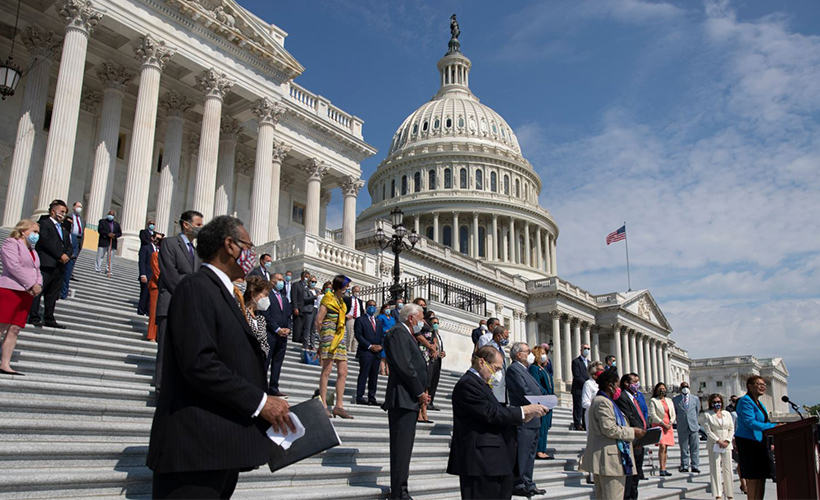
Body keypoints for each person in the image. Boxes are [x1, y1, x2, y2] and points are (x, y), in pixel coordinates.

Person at [146, 215, 294, 499]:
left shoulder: (222, 293)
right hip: (194, 450)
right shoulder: (196, 288)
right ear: (230, 245)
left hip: (218, 448)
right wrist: (261, 402)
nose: (252, 252)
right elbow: (200, 363)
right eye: (248, 245)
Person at [447, 346, 548, 500]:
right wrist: (523, 411)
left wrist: (520, 417)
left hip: (494, 462)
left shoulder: (482, 385)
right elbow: (491, 414)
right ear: (482, 362)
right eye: (496, 368)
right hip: (481, 463)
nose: (498, 374)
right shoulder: (468, 384)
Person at [382, 302, 430, 500]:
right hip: (402, 397)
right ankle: (399, 492)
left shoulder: (406, 333)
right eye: (420, 318)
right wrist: (419, 392)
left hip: (408, 398)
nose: (423, 322)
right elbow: (405, 365)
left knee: (405, 448)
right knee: (401, 448)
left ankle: (402, 488)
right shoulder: (398, 333)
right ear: (411, 318)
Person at [155, 210, 204, 391]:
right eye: (198, 225)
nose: (200, 228)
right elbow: (169, 273)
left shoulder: (198, 252)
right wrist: (187, 295)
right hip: (170, 304)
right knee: (165, 351)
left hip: (189, 307)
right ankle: (161, 389)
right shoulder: (169, 243)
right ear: (186, 224)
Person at [580, 369, 645, 500]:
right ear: (610, 386)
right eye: (617, 385)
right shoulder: (602, 402)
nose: (619, 389)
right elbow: (609, 429)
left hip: (612, 458)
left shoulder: (608, 402)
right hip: (609, 461)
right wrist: (634, 431)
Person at [0, 220, 43, 375]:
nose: (36, 235)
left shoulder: (33, 251)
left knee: (15, 329)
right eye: (34, 231)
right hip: (11, 289)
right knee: (2, 326)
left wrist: (38, 284)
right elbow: (13, 266)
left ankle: (5, 364)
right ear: (23, 231)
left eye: (38, 232)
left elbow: (37, 270)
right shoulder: (11, 243)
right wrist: (32, 283)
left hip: (26, 293)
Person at [505, 342, 546, 497]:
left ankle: (528, 482)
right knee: (522, 453)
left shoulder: (526, 370)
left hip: (535, 417)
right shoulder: (514, 369)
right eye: (527, 351)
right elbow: (523, 392)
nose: (530, 354)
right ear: (518, 354)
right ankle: (519, 483)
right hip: (525, 416)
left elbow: (537, 389)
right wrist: (539, 403)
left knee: (530, 453)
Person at [28, 200, 71, 329]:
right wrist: (60, 255)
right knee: (39, 291)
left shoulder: (63, 229)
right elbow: (46, 242)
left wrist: (67, 255)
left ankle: (49, 317)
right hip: (47, 263)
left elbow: (69, 245)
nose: (63, 214)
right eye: (62, 211)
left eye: (65, 212)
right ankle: (34, 316)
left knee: (53, 294)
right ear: (53, 211)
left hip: (59, 267)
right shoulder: (44, 224)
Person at [315, 275, 353, 419]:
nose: (347, 289)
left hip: (340, 337)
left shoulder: (342, 303)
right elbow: (318, 320)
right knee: (327, 370)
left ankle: (339, 405)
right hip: (329, 336)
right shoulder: (327, 299)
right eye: (346, 286)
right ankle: (323, 403)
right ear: (340, 286)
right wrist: (322, 338)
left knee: (343, 372)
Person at [735, 375, 777, 500]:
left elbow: (764, 420)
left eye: (764, 384)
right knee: (753, 478)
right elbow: (750, 422)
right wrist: (774, 426)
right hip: (748, 442)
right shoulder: (745, 401)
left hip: (759, 442)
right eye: (759, 384)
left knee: (761, 477)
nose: (763, 386)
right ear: (750, 386)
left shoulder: (759, 403)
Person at [616, 373, 648, 500]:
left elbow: (640, 415)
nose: (637, 384)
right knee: (630, 476)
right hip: (633, 438)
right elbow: (630, 417)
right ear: (626, 383)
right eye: (635, 381)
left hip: (640, 439)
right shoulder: (622, 397)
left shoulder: (636, 397)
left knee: (636, 475)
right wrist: (641, 433)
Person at [261, 273, 292, 397]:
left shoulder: (284, 298)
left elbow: (288, 316)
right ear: (273, 281)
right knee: (266, 361)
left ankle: (274, 387)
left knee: (278, 362)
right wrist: (277, 329)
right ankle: (262, 385)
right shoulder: (267, 296)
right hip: (271, 334)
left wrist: (288, 329)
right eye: (279, 280)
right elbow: (266, 315)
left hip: (283, 336)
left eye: (282, 280)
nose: (282, 282)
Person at [704, 393, 734, 500]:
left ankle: (730, 493)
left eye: (719, 402)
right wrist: (718, 441)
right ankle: (718, 494)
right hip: (714, 444)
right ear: (711, 403)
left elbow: (731, 428)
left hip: (726, 443)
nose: (717, 404)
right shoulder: (708, 415)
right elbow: (708, 431)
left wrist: (727, 440)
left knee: (728, 468)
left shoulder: (727, 414)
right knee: (715, 468)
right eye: (715, 402)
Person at [354, 299, 382, 405]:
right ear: (366, 307)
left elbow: (381, 336)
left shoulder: (378, 321)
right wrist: (370, 346)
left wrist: (380, 346)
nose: (372, 307)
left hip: (377, 353)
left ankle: (371, 396)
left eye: (374, 306)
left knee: (374, 376)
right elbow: (358, 335)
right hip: (366, 352)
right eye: (370, 305)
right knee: (364, 374)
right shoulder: (360, 320)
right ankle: (360, 396)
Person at [529, 344, 555, 460]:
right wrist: (546, 394)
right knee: (541, 427)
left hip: (548, 401)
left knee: (545, 427)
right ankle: (539, 450)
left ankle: (543, 449)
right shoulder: (534, 368)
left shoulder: (543, 369)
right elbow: (537, 384)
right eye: (543, 354)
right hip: (542, 400)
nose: (545, 356)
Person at [673, 381, 701, 473]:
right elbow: (675, 412)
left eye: (686, 386)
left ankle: (695, 465)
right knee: (684, 447)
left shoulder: (695, 398)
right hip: (682, 425)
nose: (685, 388)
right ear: (680, 389)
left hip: (693, 425)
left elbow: (697, 411)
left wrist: (694, 420)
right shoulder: (676, 399)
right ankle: (684, 465)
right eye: (683, 387)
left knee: (695, 447)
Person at [648, 382, 676, 476]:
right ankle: (661, 468)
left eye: (664, 389)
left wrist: (671, 423)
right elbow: (653, 414)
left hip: (668, 425)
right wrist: (663, 423)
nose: (662, 390)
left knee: (666, 447)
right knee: (662, 446)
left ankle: (665, 467)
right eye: (660, 389)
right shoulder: (653, 400)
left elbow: (673, 413)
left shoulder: (669, 400)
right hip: (660, 425)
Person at [242, 275, 272, 358]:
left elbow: (265, 344)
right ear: (253, 294)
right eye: (265, 295)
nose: (267, 299)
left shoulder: (260, 319)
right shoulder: (240, 312)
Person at [60, 201, 84, 299]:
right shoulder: (68, 216)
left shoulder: (82, 220)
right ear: (73, 207)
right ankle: (60, 291)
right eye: (78, 206)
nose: (79, 208)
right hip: (69, 239)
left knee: (71, 264)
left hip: (78, 240)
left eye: (81, 207)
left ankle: (64, 292)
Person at [426, 314, 446, 411]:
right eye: (434, 323)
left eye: (437, 323)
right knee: (429, 381)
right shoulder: (429, 333)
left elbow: (440, 346)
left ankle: (431, 401)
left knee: (435, 381)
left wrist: (443, 352)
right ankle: (426, 402)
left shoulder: (438, 334)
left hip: (438, 360)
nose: (436, 325)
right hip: (431, 360)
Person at [291, 270, 315, 348]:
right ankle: (296, 341)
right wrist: (295, 308)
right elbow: (294, 297)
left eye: (308, 277)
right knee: (297, 326)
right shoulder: (296, 285)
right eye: (306, 277)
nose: (307, 278)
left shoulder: (308, 287)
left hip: (306, 310)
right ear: (302, 277)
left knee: (305, 327)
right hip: (298, 308)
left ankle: (302, 340)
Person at [571, 343, 591, 430]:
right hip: (578, 388)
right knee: (578, 407)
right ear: (581, 349)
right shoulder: (576, 361)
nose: (586, 350)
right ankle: (577, 423)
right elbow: (577, 375)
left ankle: (585, 424)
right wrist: (587, 383)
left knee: (585, 408)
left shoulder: (590, 363)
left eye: (588, 348)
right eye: (585, 348)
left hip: (587, 389)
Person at [146, 234, 162, 342]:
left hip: (164, 288)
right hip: (156, 286)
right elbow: (157, 272)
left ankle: (158, 335)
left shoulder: (167, 258)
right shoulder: (155, 255)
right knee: (153, 312)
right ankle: (151, 334)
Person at [95, 210, 121, 275]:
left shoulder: (116, 224)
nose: (110, 216)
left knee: (110, 258)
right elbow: (100, 230)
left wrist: (114, 235)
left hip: (112, 243)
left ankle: (108, 270)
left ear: (114, 216)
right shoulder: (102, 221)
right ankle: (98, 268)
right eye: (109, 214)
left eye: (112, 215)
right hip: (104, 241)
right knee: (100, 255)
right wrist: (107, 234)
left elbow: (119, 233)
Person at [581, 361, 604, 432]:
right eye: (600, 370)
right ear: (594, 371)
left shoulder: (602, 385)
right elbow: (585, 402)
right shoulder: (588, 384)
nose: (602, 372)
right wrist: (597, 407)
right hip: (592, 415)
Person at [137, 234, 155, 316]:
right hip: (146, 275)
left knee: (150, 295)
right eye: (157, 238)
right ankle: (141, 311)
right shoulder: (146, 247)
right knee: (144, 294)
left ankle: (148, 311)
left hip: (154, 277)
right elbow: (142, 261)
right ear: (152, 238)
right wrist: (142, 274)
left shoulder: (160, 250)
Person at [376, 303, 395, 376]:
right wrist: (384, 330)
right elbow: (378, 326)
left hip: (391, 337)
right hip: (383, 336)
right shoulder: (380, 317)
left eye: (389, 308)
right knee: (383, 355)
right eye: (386, 308)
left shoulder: (392, 318)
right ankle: (382, 369)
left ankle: (388, 370)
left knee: (389, 355)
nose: (388, 310)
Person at [344, 285, 364, 353]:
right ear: (352, 291)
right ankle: (348, 348)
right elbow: (343, 308)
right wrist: (345, 315)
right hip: (351, 318)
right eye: (356, 291)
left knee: (356, 335)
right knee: (350, 334)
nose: (357, 293)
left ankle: (354, 349)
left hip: (358, 319)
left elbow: (361, 310)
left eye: (358, 291)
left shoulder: (360, 301)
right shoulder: (347, 299)